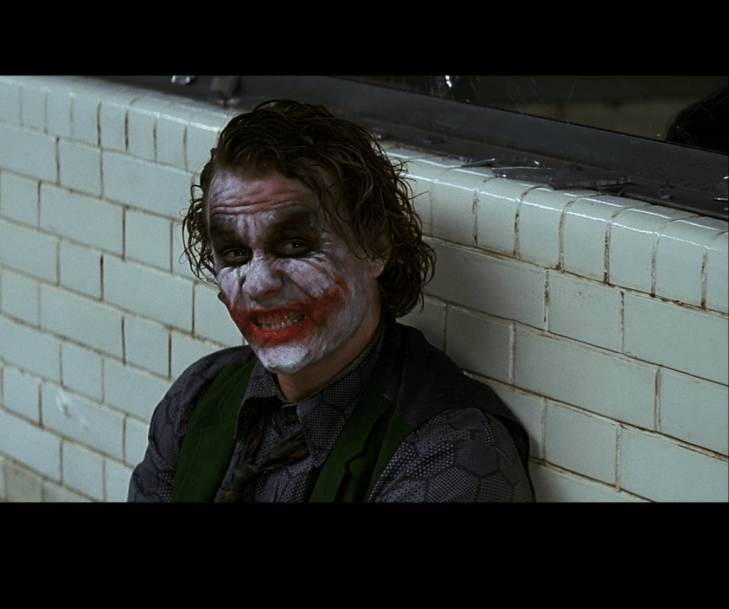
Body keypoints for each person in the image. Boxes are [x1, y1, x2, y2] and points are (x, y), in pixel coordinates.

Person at [128, 100, 534, 502]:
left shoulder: (451, 453)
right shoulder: (198, 396)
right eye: (235, 254)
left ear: (374, 247)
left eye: (295, 245)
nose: (260, 284)